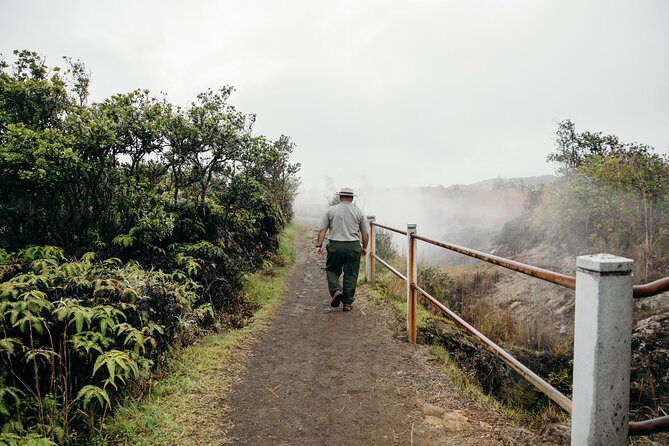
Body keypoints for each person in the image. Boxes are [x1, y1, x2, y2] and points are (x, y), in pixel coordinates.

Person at [315, 187, 369, 312]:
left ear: (340, 197)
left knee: (332, 270)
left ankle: (336, 291)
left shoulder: (330, 211)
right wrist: (365, 248)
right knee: (351, 274)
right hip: (353, 246)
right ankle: (347, 303)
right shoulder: (359, 212)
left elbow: (322, 230)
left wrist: (319, 246)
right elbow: (365, 234)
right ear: (352, 198)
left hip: (336, 246)